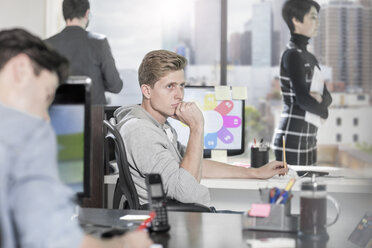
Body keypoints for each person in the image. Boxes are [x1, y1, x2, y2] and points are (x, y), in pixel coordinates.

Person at [0, 28, 152, 248]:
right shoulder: (26, 131)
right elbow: (54, 242)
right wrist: (126, 243)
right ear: (20, 69)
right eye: (47, 97)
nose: (45, 117)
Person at [114, 50, 288, 206]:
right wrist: (196, 127)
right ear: (147, 91)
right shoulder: (141, 131)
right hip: (172, 223)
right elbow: (186, 191)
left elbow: (195, 165)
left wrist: (255, 173)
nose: (179, 95)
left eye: (181, 85)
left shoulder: (161, 127)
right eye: (170, 86)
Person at [272, 0, 332, 166]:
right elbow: (303, 100)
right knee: (293, 189)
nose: (317, 22)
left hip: (309, 137)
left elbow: (328, 97)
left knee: (308, 189)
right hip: (291, 138)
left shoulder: (310, 57)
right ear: (296, 20)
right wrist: (324, 112)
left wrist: (319, 101)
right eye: (313, 17)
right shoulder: (292, 55)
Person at [45, 0, 123, 105]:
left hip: (58, 115)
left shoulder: (48, 44)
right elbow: (115, 85)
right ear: (87, 13)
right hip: (93, 116)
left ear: (64, 14)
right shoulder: (99, 42)